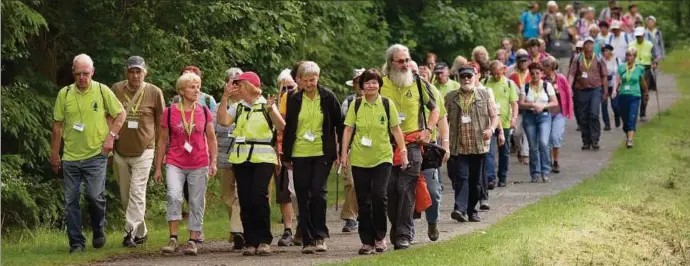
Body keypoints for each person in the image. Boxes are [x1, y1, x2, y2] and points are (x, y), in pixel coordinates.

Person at [50, 54, 125, 253]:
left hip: (96, 155)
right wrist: (55, 154)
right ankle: (76, 243)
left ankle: (99, 229)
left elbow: (121, 114)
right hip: (71, 157)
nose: (82, 78)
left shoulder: (102, 90)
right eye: (78, 74)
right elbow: (57, 127)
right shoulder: (64, 94)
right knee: (70, 201)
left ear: (92, 72)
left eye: (86, 73)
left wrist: (111, 136)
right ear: (73, 73)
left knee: (94, 196)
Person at [339, 68, 409, 255]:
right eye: (368, 82)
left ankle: (380, 236)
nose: (371, 85)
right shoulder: (356, 104)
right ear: (362, 85)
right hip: (360, 158)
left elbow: (395, 130)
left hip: (382, 157)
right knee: (363, 200)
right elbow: (347, 129)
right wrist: (343, 153)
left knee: (379, 196)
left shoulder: (387, 104)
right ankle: (366, 241)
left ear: (379, 85)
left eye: (375, 82)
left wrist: (403, 151)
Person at [216, 71, 285, 256]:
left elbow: (281, 127)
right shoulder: (237, 107)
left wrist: (272, 110)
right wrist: (224, 97)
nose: (237, 88)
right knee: (245, 199)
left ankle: (264, 240)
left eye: (240, 85)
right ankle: (250, 241)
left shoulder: (267, 105)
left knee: (259, 196)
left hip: (263, 158)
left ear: (249, 86)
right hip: (241, 158)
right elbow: (222, 121)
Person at [380, 44, 439, 250]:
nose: (405, 65)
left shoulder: (419, 83)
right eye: (400, 61)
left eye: (407, 60)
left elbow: (435, 109)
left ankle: (404, 233)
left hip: (413, 144)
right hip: (387, 144)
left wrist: (428, 130)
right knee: (390, 189)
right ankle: (396, 227)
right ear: (391, 63)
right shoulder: (380, 84)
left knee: (406, 189)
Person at [282, 61, 344, 254]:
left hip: (321, 153)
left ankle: (320, 235)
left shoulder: (327, 97)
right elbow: (289, 127)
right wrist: (286, 154)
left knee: (317, 192)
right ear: (299, 80)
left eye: (313, 79)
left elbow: (340, 125)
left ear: (318, 78)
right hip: (299, 153)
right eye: (306, 80)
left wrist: (342, 151)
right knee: (302, 194)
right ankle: (307, 239)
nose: (310, 84)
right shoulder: (293, 98)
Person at [154, 72, 218, 256]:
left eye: (198, 86)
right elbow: (162, 141)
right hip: (175, 161)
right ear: (182, 91)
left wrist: (213, 161)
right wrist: (158, 167)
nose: (197, 90)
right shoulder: (170, 111)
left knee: (196, 201)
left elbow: (212, 139)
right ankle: (173, 238)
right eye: (192, 87)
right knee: (174, 196)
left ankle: (192, 240)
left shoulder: (204, 111)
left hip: (199, 162)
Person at [111, 56, 165, 248]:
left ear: (145, 72)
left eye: (139, 72)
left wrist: (161, 148)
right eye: (132, 72)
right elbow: (108, 114)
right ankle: (141, 232)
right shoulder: (116, 89)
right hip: (120, 151)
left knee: (137, 192)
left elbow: (161, 123)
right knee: (126, 196)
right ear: (126, 72)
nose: (135, 75)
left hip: (145, 150)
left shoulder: (154, 92)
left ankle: (129, 233)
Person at [446, 66, 499, 223]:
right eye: (463, 77)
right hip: (459, 146)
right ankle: (459, 209)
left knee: (476, 182)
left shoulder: (484, 94)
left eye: (469, 76)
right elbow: (444, 120)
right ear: (459, 79)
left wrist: (491, 129)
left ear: (475, 77)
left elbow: (494, 116)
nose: (466, 79)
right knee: (462, 177)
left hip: (478, 146)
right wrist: (443, 140)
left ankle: (471, 210)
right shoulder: (450, 97)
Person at [214, 68, 245, 250]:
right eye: (232, 82)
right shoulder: (221, 106)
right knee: (228, 196)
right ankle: (237, 229)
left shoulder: (248, 105)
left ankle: (238, 230)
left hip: (243, 156)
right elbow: (213, 132)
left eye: (238, 82)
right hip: (225, 156)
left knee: (242, 195)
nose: (235, 86)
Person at [482, 61, 519, 187]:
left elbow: (514, 103)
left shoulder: (509, 83)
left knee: (504, 152)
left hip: (505, 123)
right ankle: (490, 178)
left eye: (498, 73)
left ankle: (502, 176)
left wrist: (514, 117)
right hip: (490, 123)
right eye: (494, 74)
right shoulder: (485, 82)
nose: (496, 76)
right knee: (489, 151)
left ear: (503, 70)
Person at [519, 63, 558, 182]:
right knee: (533, 146)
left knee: (543, 143)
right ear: (529, 74)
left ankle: (545, 171)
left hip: (544, 116)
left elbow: (555, 102)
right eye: (532, 73)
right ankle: (535, 173)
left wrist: (543, 106)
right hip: (530, 117)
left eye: (537, 73)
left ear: (541, 73)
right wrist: (532, 104)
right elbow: (521, 103)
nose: (535, 75)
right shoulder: (525, 87)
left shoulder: (547, 86)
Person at [568, 37, 608, 150]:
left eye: (591, 43)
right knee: (583, 116)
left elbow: (604, 76)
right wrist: (569, 88)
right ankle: (586, 140)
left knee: (594, 114)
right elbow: (571, 74)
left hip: (595, 89)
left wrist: (605, 91)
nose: (589, 46)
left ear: (593, 45)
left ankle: (595, 139)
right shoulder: (577, 59)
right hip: (581, 90)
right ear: (583, 45)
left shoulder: (599, 58)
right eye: (586, 43)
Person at [339, 68, 366, 234]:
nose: (360, 85)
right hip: (351, 148)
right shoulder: (348, 102)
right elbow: (342, 128)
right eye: (357, 82)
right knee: (351, 182)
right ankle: (350, 217)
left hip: (372, 148)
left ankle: (363, 213)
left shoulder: (381, 102)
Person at [541, 57, 573, 174]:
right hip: (546, 112)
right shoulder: (542, 80)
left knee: (556, 137)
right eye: (543, 66)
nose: (544, 69)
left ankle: (556, 160)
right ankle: (548, 160)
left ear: (552, 67)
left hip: (559, 112)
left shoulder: (561, 79)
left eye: (546, 66)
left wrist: (569, 110)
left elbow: (568, 94)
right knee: (547, 138)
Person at [615, 49, 648, 148]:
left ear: (634, 57)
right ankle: (628, 133)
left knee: (632, 117)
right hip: (623, 95)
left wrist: (646, 92)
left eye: (631, 55)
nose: (629, 57)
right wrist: (614, 90)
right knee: (625, 120)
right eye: (627, 55)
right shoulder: (621, 67)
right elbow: (617, 80)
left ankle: (630, 140)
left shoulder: (639, 68)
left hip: (635, 95)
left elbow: (642, 81)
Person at [628, 26, 659, 122]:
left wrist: (655, 63)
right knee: (633, 92)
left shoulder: (649, 45)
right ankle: (633, 112)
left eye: (640, 36)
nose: (638, 38)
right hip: (635, 69)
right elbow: (628, 57)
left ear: (643, 35)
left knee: (644, 92)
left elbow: (655, 56)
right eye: (637, 36)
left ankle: (643, 113)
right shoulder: (631, 44)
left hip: (646, 70)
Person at [509, 54, 531, 164]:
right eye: (521, 61)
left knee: (527, 132)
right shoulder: (512, 76)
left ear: (528, 62)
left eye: (525, 61)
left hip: (528, 107)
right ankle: (520, 148)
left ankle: (525, 153)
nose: (523, 63)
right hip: (516, 108)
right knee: (516, 133)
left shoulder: (532, 74)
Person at [601, 45, 621, 130]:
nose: (605, 53)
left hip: (614, 84)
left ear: (611, 51)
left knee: (615, 105)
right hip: (604, 85)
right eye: (604, 51)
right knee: (604, 105)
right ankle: (607, 124)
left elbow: (620, 72)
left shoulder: (616, 60)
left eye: (607, 51)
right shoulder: (601, 61)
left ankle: (617, 116)